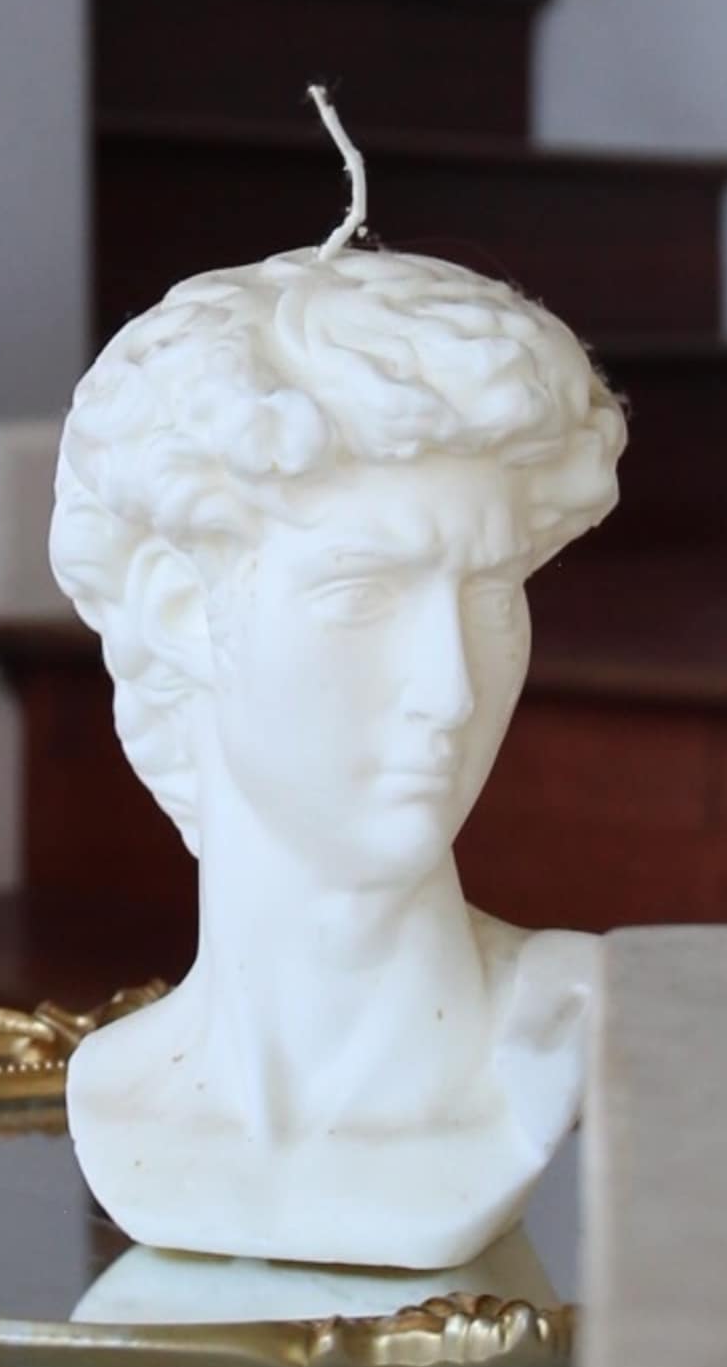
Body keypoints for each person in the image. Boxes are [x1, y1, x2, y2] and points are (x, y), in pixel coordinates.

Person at [48, 175, 624, 1271]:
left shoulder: (578, 1029)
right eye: (362, 598)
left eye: (492, 594)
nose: (451, 688)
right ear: (181, 610)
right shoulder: (122, 1093)